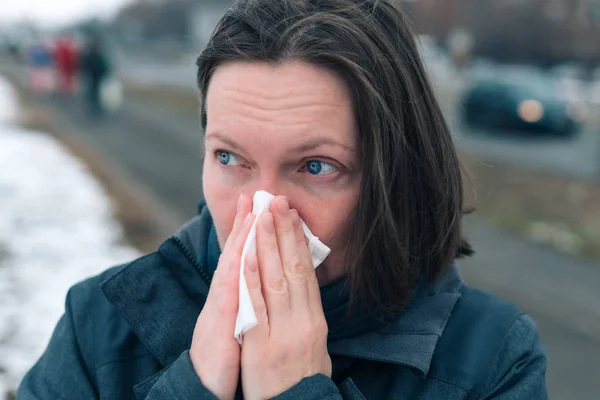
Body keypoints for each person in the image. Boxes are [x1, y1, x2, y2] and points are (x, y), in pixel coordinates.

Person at [18, 0, 547, 399]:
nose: (262, 208)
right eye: (230, 158)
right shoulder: (99, 326)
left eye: (315, 167)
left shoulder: (493, 358)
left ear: (392, 177)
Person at [80, 35, 110, 116]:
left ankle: (95, 108)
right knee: (92, 93)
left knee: (95, 92)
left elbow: (104, 66)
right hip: (92, 76)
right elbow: (85, 65)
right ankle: (93, 109)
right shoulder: (91, 54)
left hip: (97, 76)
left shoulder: (97, 54)